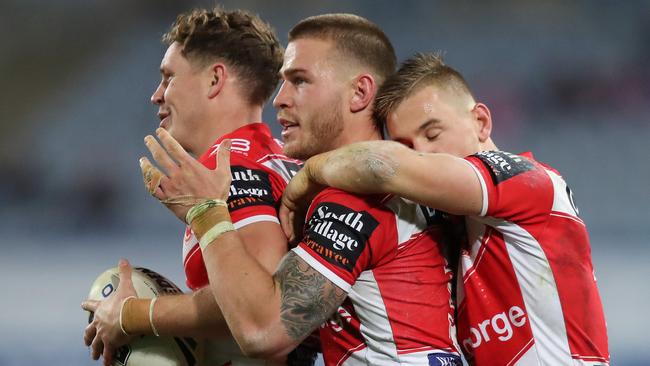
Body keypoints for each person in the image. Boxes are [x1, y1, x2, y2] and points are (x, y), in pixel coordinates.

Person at [141, 14, 464, 366]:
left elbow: (263, 330)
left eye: (299, 81)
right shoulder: (397, 182)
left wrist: (205, 213)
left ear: (359, 92)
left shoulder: (356, 201)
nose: (278, 100)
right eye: (283, 82)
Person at [281, 53, 610, 365]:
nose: (421, 153)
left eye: (432, 132)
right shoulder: (454, 232)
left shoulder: (527, 181)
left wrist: (307, 176)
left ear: (480, 122)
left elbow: (384, 167)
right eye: (406, 146)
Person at [81, 7, 310, 366]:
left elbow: (261, 302)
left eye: (168, 77)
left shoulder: (231, 168)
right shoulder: (276, 157)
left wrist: (135, 314)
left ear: (215, 79)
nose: (156, 95)